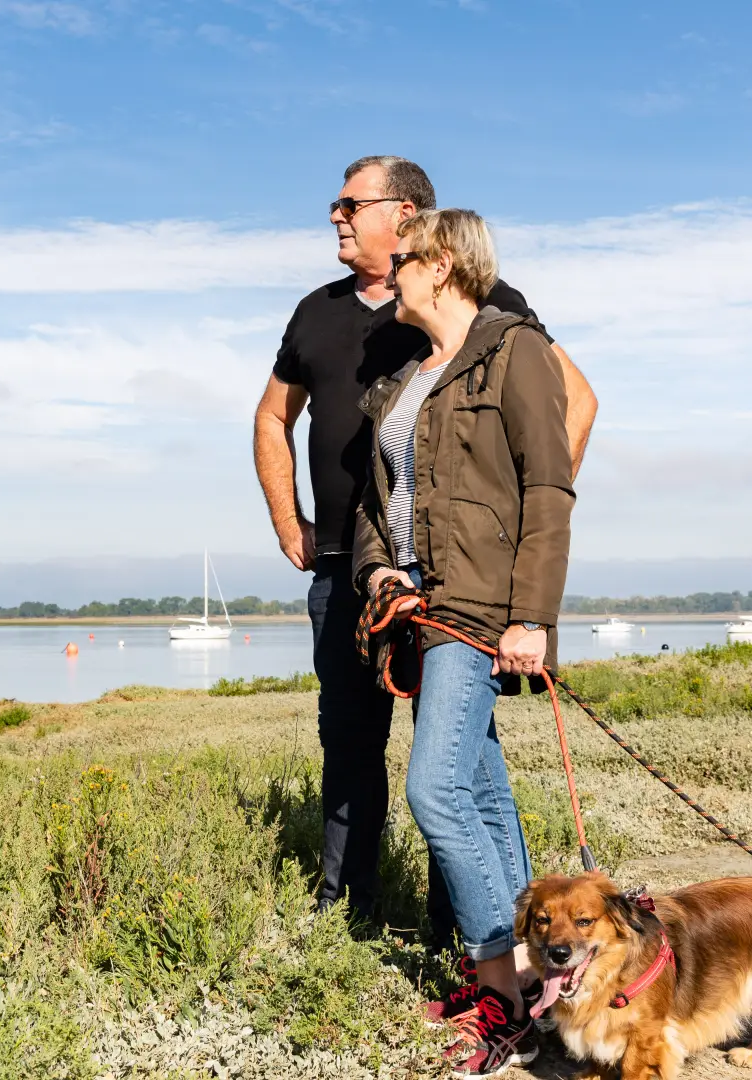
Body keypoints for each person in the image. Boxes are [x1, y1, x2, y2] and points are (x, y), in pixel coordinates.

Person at [252, 156, 596, 940]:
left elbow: (568, 419)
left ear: (406, 219)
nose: (334, 215)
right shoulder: (322, 316)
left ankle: (476, 945)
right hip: (357, 574)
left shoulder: (487, 314)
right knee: (354, 747)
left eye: (349, 203)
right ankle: (356, 914)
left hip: (459, 592)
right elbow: (276, 420)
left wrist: (498, 535)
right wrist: (291, 523)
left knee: (447, 778)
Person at [354, 208, 573, 1078]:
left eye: (401, 261)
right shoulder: (407, 377)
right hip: (419, 609)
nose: (389, 276)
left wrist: (534, 616)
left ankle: (501, 981)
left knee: (433, 789)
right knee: (480, 798)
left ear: (442, 265)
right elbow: (379, 504)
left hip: (481, 608)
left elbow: (547, 488)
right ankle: (543, 987)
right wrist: (379, 576)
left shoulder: (514, 349)